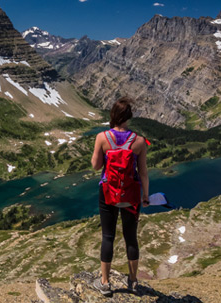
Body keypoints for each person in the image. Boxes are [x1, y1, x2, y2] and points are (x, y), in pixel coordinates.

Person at [91, 97, 149, 296]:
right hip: (131, 195)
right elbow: (143, 173)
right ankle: (132, 281)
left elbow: (96, 165)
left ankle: (105, 283)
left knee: (108, 236)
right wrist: (146, 196)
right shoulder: (139, 141)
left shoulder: (102, 137)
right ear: (129, 117)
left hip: (108, 193)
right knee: (131, 238)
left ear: (113, 116)